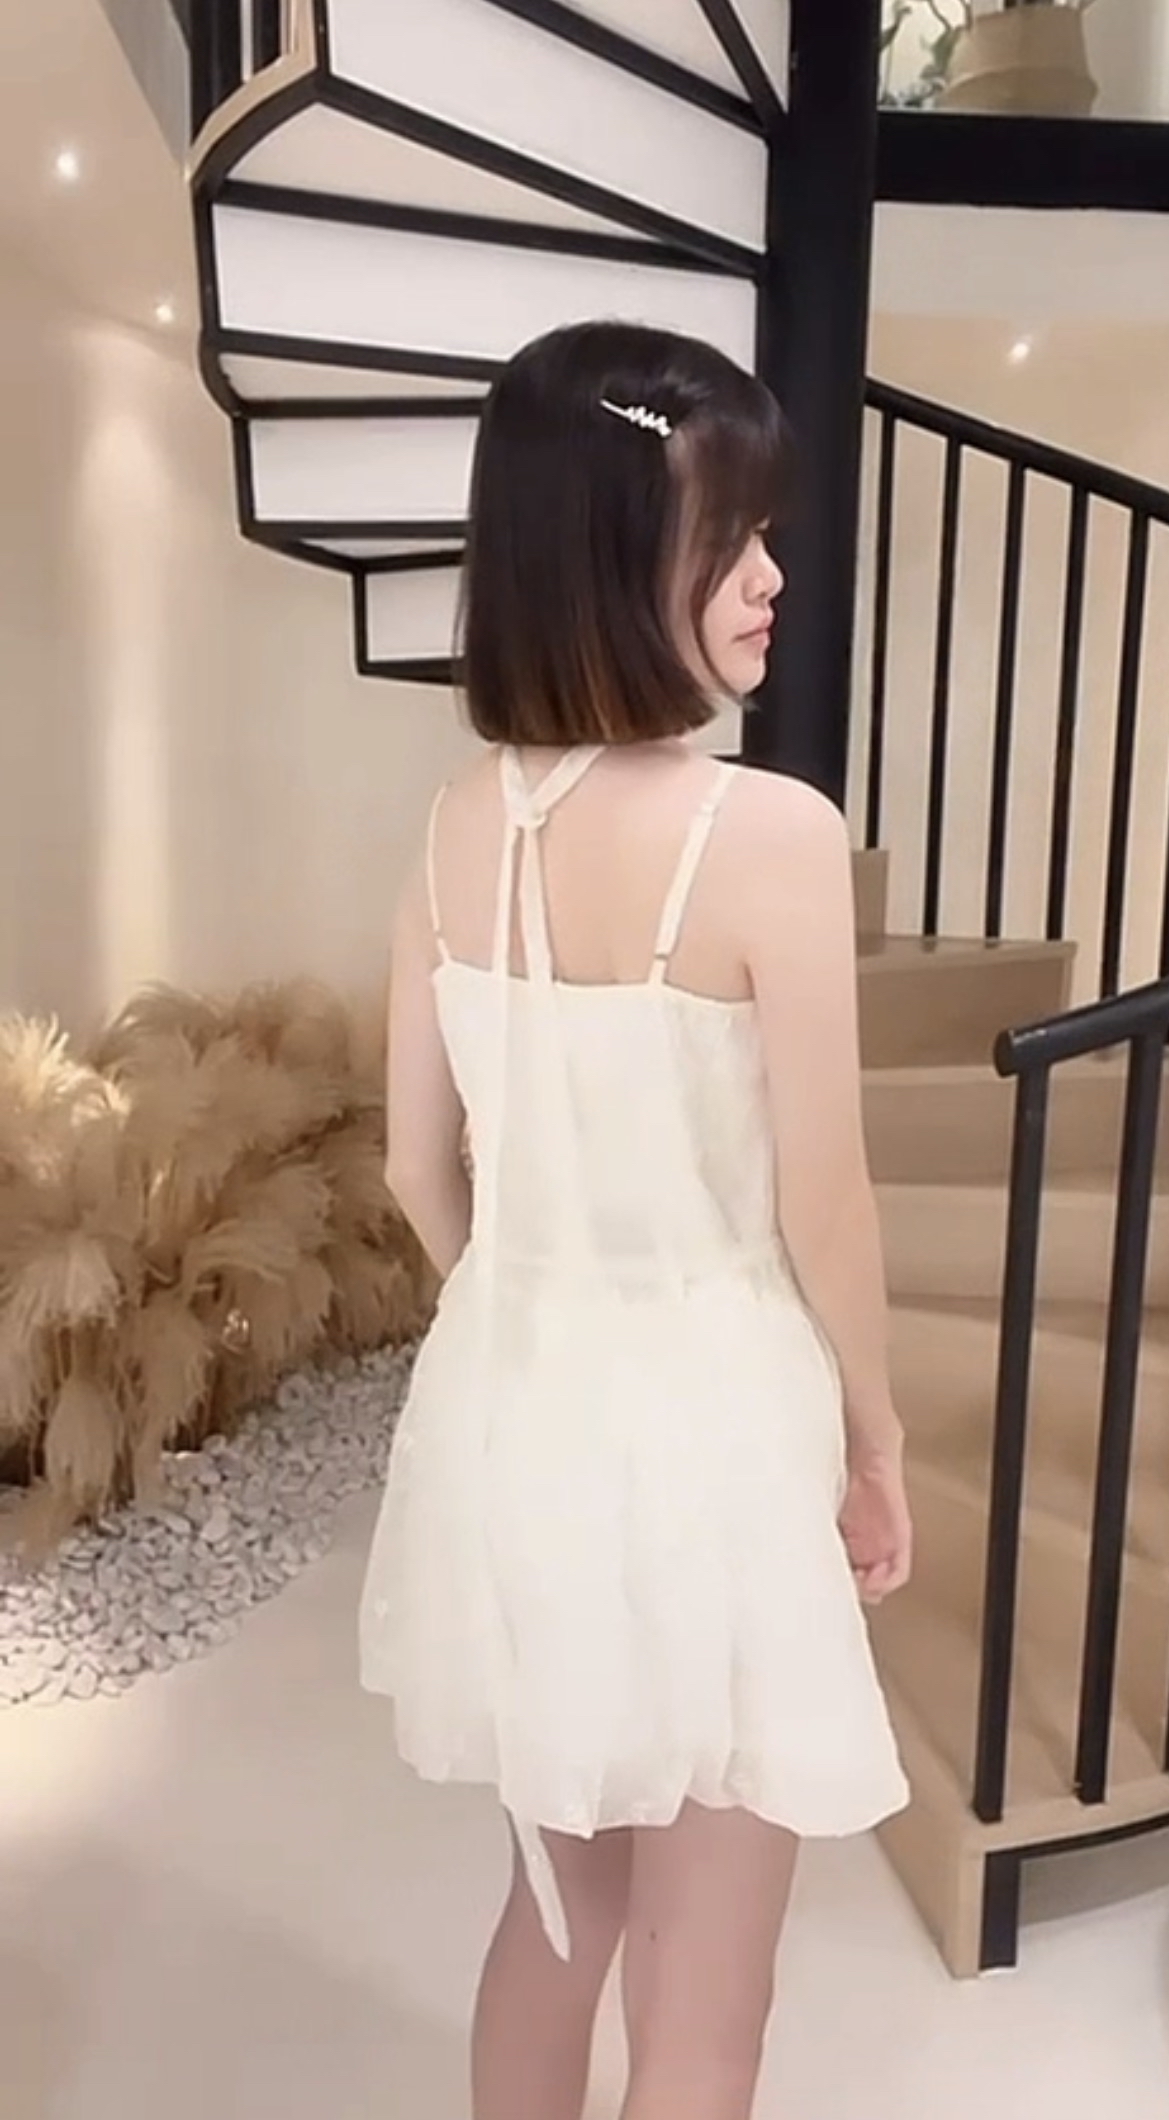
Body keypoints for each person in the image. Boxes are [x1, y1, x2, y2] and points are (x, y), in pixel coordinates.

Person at [361, 319, 910, 2120]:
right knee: (706, 1995)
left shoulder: (447, 830)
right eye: (727, 538)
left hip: (521, 1416)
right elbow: (823, 1198)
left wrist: (531, 1314)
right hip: (722, 1426)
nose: (769, 578)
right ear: (607, 553)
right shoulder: (769, 834)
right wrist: (876, 1437)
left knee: (557, 1913)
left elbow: (413, 1171)